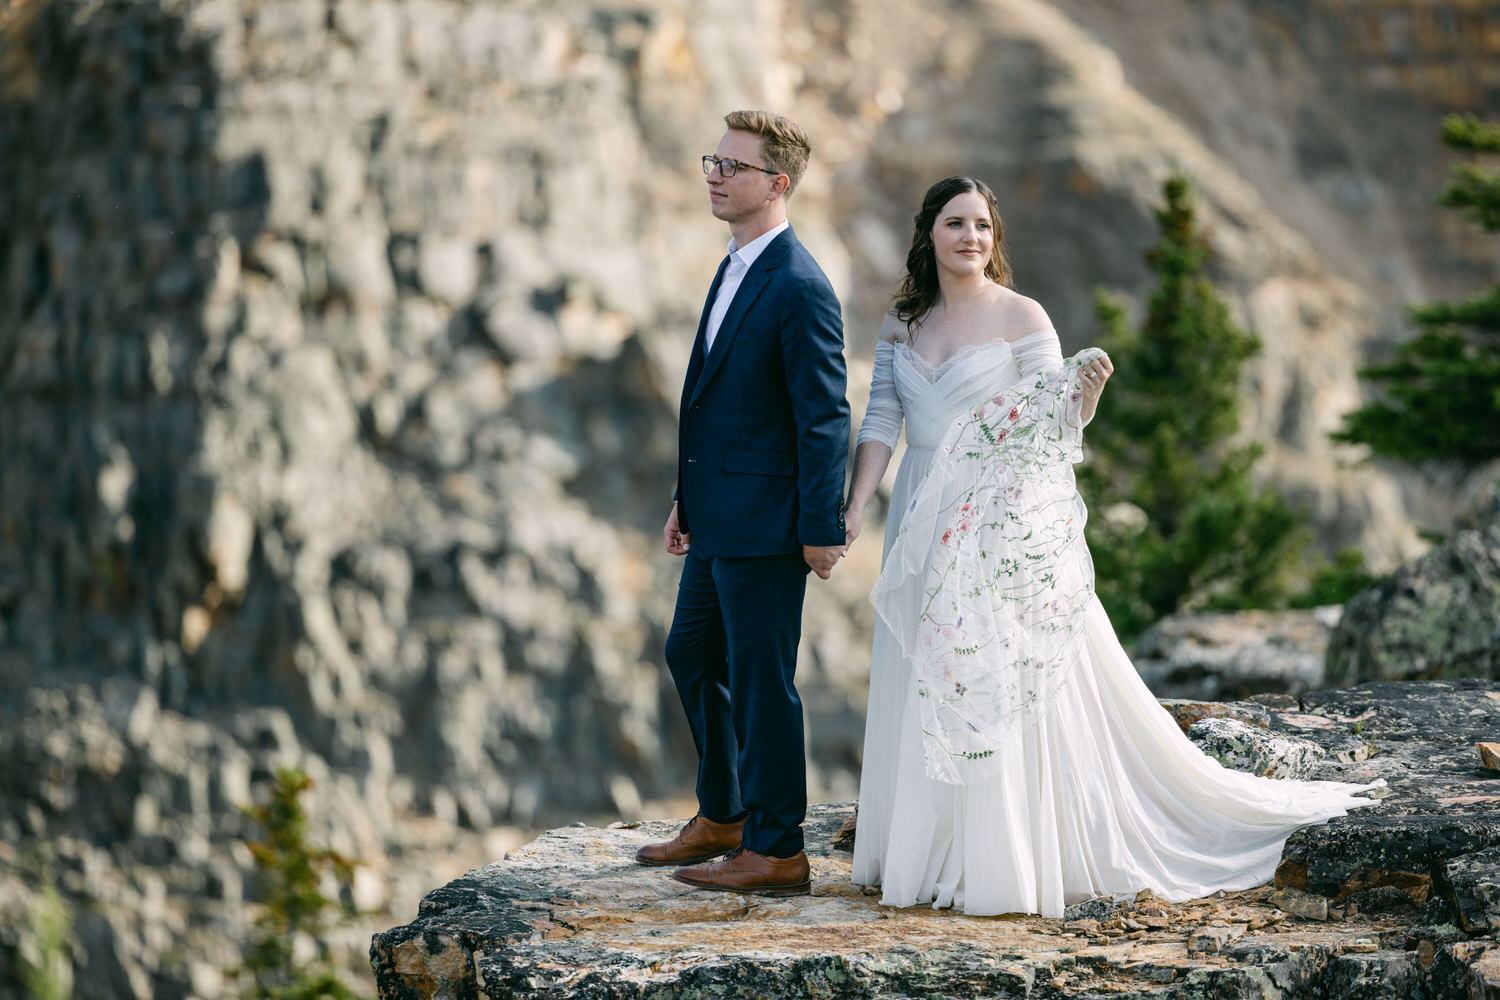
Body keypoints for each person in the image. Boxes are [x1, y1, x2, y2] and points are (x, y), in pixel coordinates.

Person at [844, 176, 1383, 917]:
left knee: (994, 679)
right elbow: (879, 422)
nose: (970, 237)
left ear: (994, 239)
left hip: (995, 523)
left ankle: (999, 858)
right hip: (916, 518)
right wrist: (853, 509)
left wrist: (1086, 397)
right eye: (954, 223)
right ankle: (920, 849)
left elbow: (1053, 426)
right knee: (925, 674)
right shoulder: (903, 323)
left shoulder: (1022, 316)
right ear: (928, 234)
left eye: (982, 225)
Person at [634, 111, 850, 897]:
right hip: (716, 516)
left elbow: (824, 416)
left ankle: (778, 848)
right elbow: (717, 402)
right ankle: (722, 815)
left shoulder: (798, 284)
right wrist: (684, 500)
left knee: (762, 681)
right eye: (712, 162)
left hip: (767, 528)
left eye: (733, 166)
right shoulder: (734, 266)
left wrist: (822, 529)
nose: (714, 176)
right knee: (691, 655)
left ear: (778, 183)